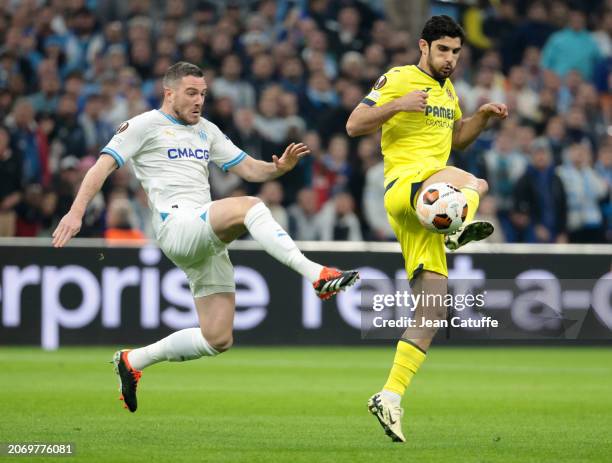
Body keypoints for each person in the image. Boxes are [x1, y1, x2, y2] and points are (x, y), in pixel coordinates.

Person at [52, 62, 359, 413]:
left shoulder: (206, 130)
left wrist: (278, 168)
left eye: (203, 94)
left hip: (203, 234)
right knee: (251, 206)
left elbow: (248, 168)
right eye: (191, 93)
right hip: (176, 225)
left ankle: (133, 360)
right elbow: (101, 166)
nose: (199, 100)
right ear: (169, 93)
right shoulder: (143, 125)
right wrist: (76, 212)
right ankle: (315, 274)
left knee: (217, 338)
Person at [346, 15, 507, 442]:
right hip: (406, 187)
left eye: (456, 52)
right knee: (475, 182)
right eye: (443, 50)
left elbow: (457, 139)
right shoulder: (398, 78)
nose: (450, 59)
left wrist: (484, 118)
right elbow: (353, 124)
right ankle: (457, 226)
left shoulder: (449, 91)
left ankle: (390, 396)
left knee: (432, 310)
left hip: (431, 200)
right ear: (424, 47)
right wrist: (397, 105)